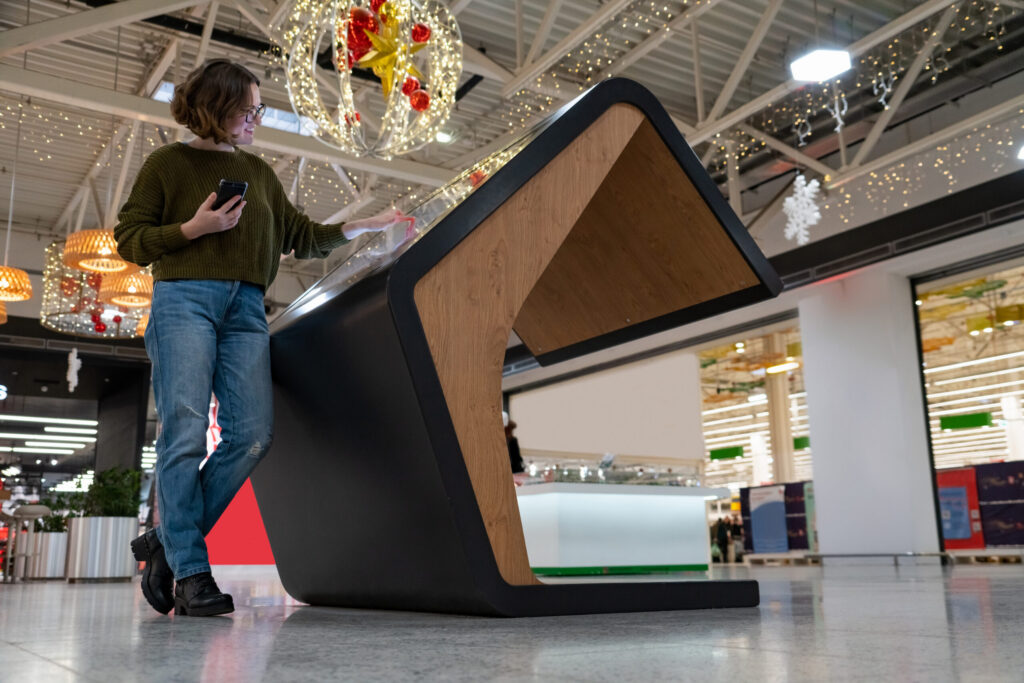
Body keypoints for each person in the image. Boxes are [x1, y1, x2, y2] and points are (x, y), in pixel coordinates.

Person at [116, 59, 409, 617]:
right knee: (183, 434)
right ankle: (192, 573)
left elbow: (302, 235)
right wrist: (194, 229)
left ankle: (168, 540)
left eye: (258, 109)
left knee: (252, 435)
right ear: (214, 107)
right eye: (247, 109)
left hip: (247, 306)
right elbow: (129, 239)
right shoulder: (167, 164)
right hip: (183, 299)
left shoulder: (261, 173)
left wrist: (364, 226)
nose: (256, 118)